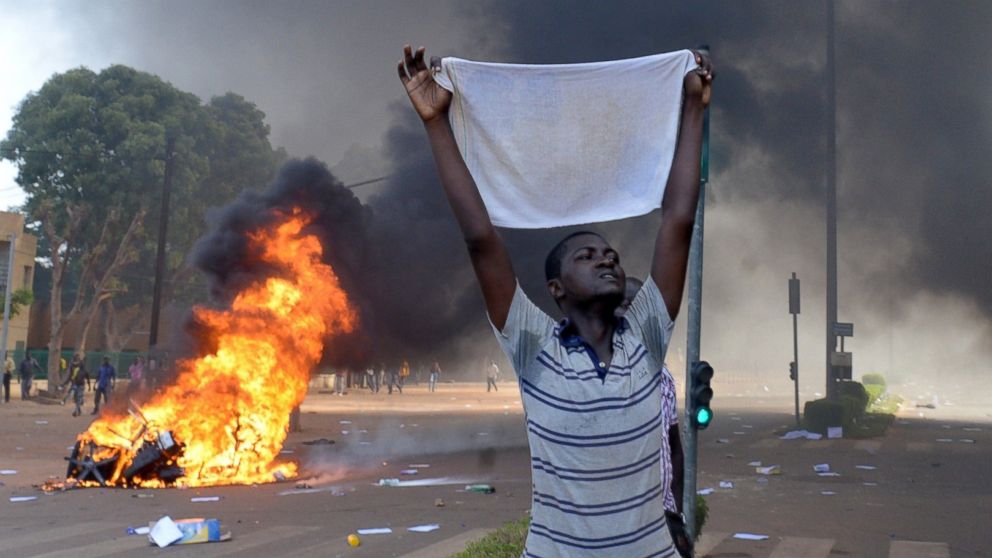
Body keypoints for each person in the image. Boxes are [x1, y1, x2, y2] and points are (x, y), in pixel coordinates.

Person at [398, 44, 712, 557]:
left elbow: (678, 220)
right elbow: (481, 239)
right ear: (556, 290)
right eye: (586, 256)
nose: (607, 259)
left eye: (610, 254)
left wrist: (694, 108)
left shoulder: (648, 336)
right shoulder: (534, 347)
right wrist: (436, 122)